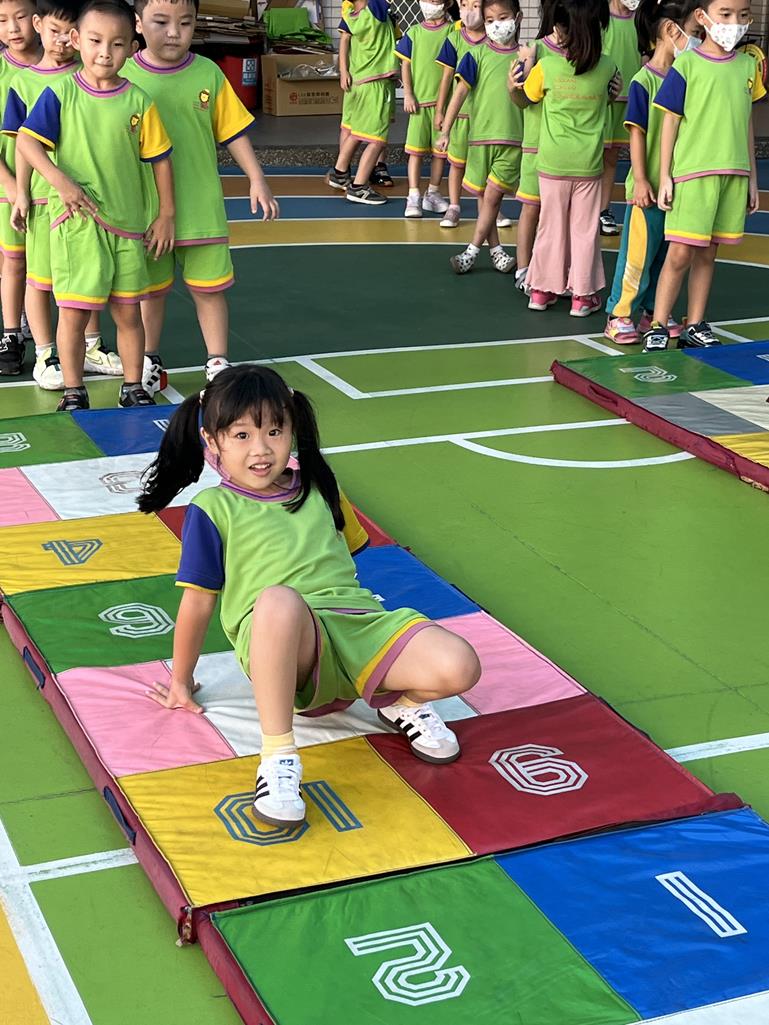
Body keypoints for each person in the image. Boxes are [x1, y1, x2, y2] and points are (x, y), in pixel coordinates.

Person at [138, 365, 481, 828]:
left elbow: (347, 556)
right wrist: (181, 680)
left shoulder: (320, 485)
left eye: (274, 431)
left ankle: (401, 701)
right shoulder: (211, 509)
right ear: (211, 441)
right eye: (241, 435)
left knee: (461, 665)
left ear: (292, 430)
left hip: (353, 627)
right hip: (284, 647)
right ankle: (279, 756)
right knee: (279, 599)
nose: (261, 449)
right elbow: (198, 602)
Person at [16, 0, 175, 410]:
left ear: (132, 48)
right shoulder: (60, 94)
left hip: (127, 226)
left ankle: (132, 386)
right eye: (95, 41)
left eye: (117, 44)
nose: (105, 52)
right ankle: (74, 390)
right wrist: (60, 182)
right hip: (77, 225)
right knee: (73, 314)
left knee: (128, 313)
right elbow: (27, 142)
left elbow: (160, 160)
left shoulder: (139, 101)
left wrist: (165, 214)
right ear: (76, 40)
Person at [123, 0, 278, 395]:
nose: (174, 32)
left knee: (209, 290)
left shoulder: (208, 73)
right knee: (151, 293)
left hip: (201, 208)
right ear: (138, 24)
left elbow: (233, 131)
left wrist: (256, 178)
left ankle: (217, 364)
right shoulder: (123, 77)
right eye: (161, 22)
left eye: (185, 23)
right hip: (146, 212)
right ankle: (149, 361)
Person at [641, 0, 764, 353]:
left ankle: (695, 324)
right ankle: (658, 324)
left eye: (743, 15)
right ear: (702, 17)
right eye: (725, 14)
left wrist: (752, 178)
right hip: (693, 176)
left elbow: (746, 123)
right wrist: (665, 175)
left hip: (733, 174)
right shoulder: (687, 65)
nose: (734, 22)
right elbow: (670, 122)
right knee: (679, 253)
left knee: (709, 254)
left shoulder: (747, 66)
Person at [4, 0, 115, 390]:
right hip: (42, 198)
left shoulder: (90, 78)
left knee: (88, 277)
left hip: (85, 200)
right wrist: (20, 193)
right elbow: (23, 145)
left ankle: (91, 346)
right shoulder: (23, 83)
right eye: (55, 32)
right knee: (40, 279)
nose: (63, 42)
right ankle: (45, 354)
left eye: (70, 35)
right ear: (39, 26)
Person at [511, 0, 618, 316]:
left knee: (550, 227)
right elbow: (608, 97)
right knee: (584, 231)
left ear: (560, 29)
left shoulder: (547, 68)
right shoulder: (608, 67)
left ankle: (541, 291)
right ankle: (582, 296)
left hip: (552, 163)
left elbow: (525, 98)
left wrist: (519, 74)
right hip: (588, 165)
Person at [603, 0, 701, 345]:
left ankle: (652, 313)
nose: (697, 40)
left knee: (664, 256)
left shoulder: (687, 77)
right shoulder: (643, 81)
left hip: (675, 188)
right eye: (694, 32)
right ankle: (618, 315)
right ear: (670, 30)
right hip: (647, 190)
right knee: (637, 256)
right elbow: (637, 134)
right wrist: (642, 179)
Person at [437, 0, 523, 274]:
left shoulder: (526, 57)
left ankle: (471, 251)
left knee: (493, 197)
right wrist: (446, 130)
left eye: (503, 17)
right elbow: (459, 93)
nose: (497, 25)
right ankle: (497, 252)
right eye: (490, 20)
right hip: (479, 139)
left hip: (513, 141)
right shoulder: (475, 55)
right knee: (485, 198)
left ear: (517, 18)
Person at [0, 0, 40, 376]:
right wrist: (11, 185)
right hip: (7, 184)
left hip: (49, 187)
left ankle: (79, 341)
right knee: (13, 260)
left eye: (21, 17)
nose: (12, 27)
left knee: (48, 268)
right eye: (2, 20)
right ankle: (11, 334)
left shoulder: (64, 66)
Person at [327, 0, 397, 206]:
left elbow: (344, 42)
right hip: (375, 82)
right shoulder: (375, 9)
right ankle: (358, 187)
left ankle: (340, 172)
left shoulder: (351, 14)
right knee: (377, 140)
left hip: (359, 81)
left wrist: (344, 71)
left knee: (356, 132)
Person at [395, 0, 455, 218]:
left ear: (447, 3)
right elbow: (405, 65)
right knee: (416, 153)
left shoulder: (453, 32)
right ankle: (413, 195)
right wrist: (408, 94)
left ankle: (433, 193)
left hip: (444, 106)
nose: (430, 4)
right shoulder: (414, 33)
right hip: (419, 106)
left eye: (435, 0)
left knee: (440, 154)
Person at [512, 0, 557, 291]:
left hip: (564, 151)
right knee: (531, 208)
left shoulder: (586, 53)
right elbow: (520, 96)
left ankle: (553, 269)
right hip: (535, 145)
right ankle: (523, 268)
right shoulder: (535, 50)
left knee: (557, 215)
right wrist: (525, 67)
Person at [433, 0, 485, 228]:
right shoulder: (454, 39)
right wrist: (440, 111)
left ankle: (490, 208)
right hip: (459, 117)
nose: (469, 11)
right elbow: (446, 78)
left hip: (484, 118)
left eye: (476, 5)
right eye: (464, 4)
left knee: (484, 166)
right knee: (457, 164)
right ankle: (454, 206)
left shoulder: (494, 42)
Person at [599, 0, 640, 236]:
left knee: (612, 157)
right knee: (594, 156)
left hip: (628, 98)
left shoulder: (641, 20)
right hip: (602, 98)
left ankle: (603, 210)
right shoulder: (600, 16)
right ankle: (584, 209)